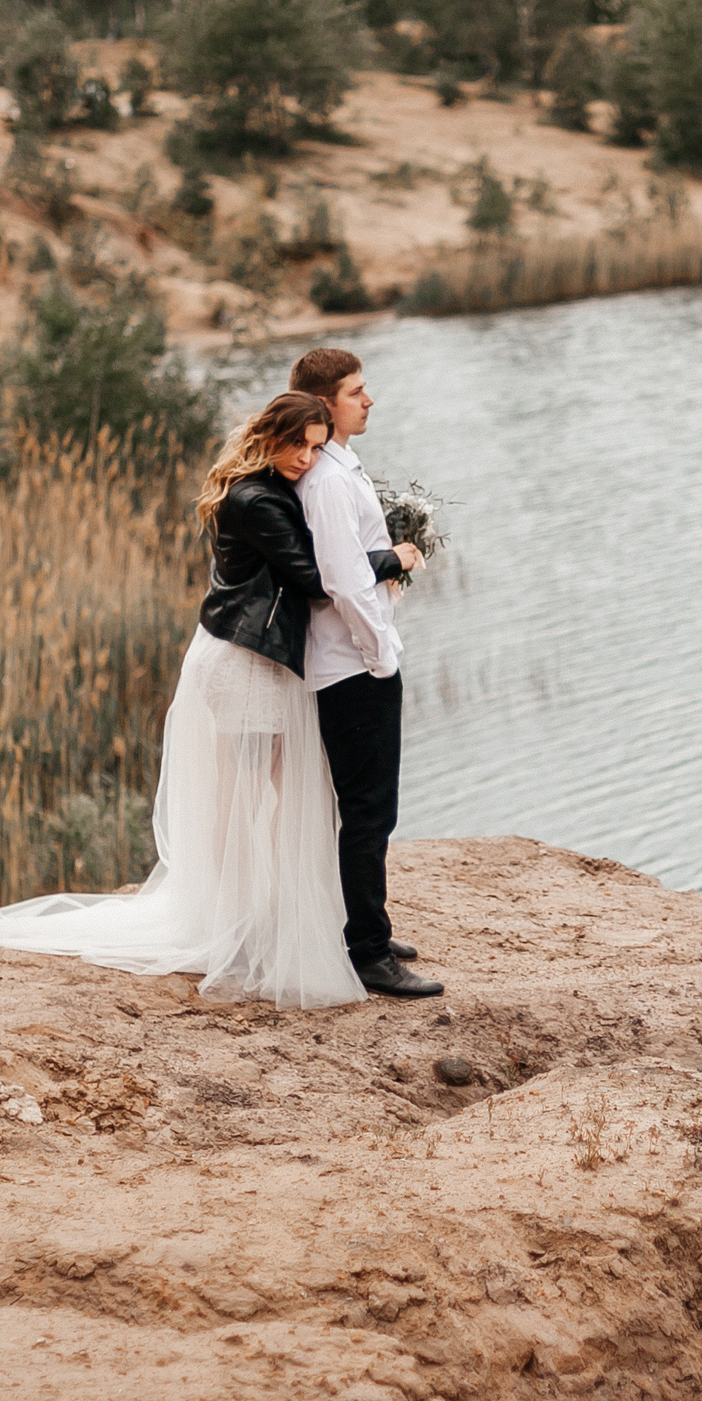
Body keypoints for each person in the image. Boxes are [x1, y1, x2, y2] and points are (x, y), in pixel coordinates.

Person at [0, 392, 407, 1009]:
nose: (309, 459)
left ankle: (266, 920)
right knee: (246, 799)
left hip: (260, 658)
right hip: (244, 662)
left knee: (274, 796)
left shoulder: (264, 486)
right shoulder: (254, 498)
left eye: (317, 447)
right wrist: (392, 556)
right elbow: (314, 576)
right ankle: (231, 927)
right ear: (270, 437)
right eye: (300, 445)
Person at [287, 347, 442, 998]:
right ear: (325, 404)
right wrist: (381, 655)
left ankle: (365, 923)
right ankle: (369, 953)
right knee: (369, 810)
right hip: (352, 667)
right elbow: (344, 584)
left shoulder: (339, 465)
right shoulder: (323, 479)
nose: (368, 399)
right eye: (357, 391)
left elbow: (357, 563)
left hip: (360, 660)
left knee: (374, 808)